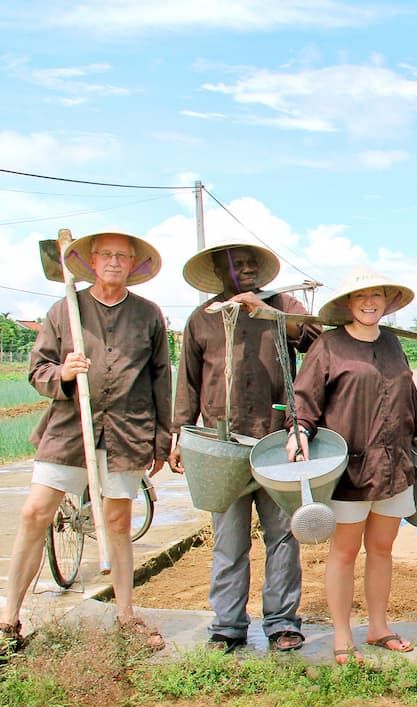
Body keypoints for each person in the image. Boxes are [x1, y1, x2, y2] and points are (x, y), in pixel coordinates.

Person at [1, 232, 171, 652]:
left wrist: (163, 439)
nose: (114, 262)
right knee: (34, 512)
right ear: (91, 262)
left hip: (128, 430)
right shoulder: (65, 310)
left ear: (133, 265)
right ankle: (8, 620)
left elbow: (161, 378)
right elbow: (38, 370)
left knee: (117, 522)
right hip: (69, 427)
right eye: (106, 255)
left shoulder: (148, 315)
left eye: (122, 256)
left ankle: (126, 615)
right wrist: (62, 371)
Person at [287, 268, 417, 665]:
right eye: (361, 297)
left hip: (394, 464)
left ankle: (378, 627)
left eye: (376, 296)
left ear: (386, 302)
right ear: (348, 304)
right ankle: (342, 636)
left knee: (382, 549)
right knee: (343, 551)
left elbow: (408, 391)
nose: (369, 302)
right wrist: (299, 431)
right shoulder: (329, 345)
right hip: (350, 468)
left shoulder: (391, 343)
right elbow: (305, 398)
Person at [171, 243, 320, 653]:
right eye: (237, 264)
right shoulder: (201, 319)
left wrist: (269, 312)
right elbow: (187, 380)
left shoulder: (278, 305)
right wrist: (180, 435)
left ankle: (283, 622)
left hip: (275, 439)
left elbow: (314, 338)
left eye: (252, 262)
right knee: (229, 540)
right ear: (219, 271)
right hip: (223, 444)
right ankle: (228, 625)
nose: (248, 269)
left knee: (284, 536)